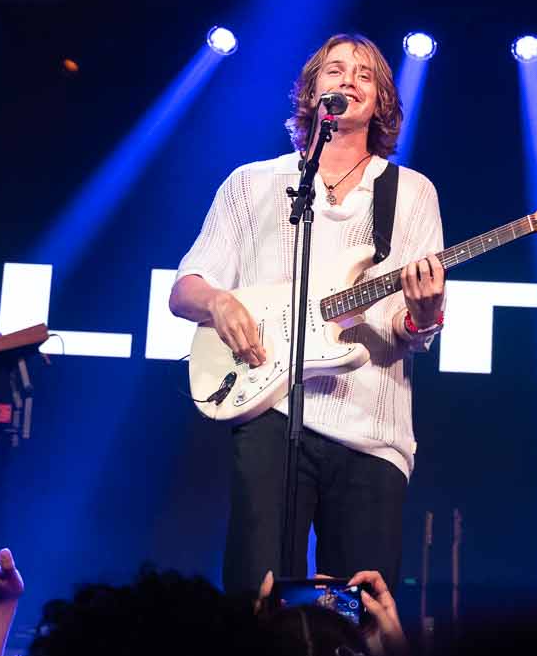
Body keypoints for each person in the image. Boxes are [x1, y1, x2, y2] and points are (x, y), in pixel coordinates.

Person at [169, 33, 446, 598]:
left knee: (361, 607)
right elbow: (185, 289)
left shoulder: (412, 193)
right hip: (270, 407)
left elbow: (409, 329)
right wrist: (220, 302)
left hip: (372, 429)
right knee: (258, 597)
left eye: (365, 75)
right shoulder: (251, 185)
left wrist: (425, 311)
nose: (349, 80)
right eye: (335, 70)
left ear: (382, 100)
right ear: (311, 90)